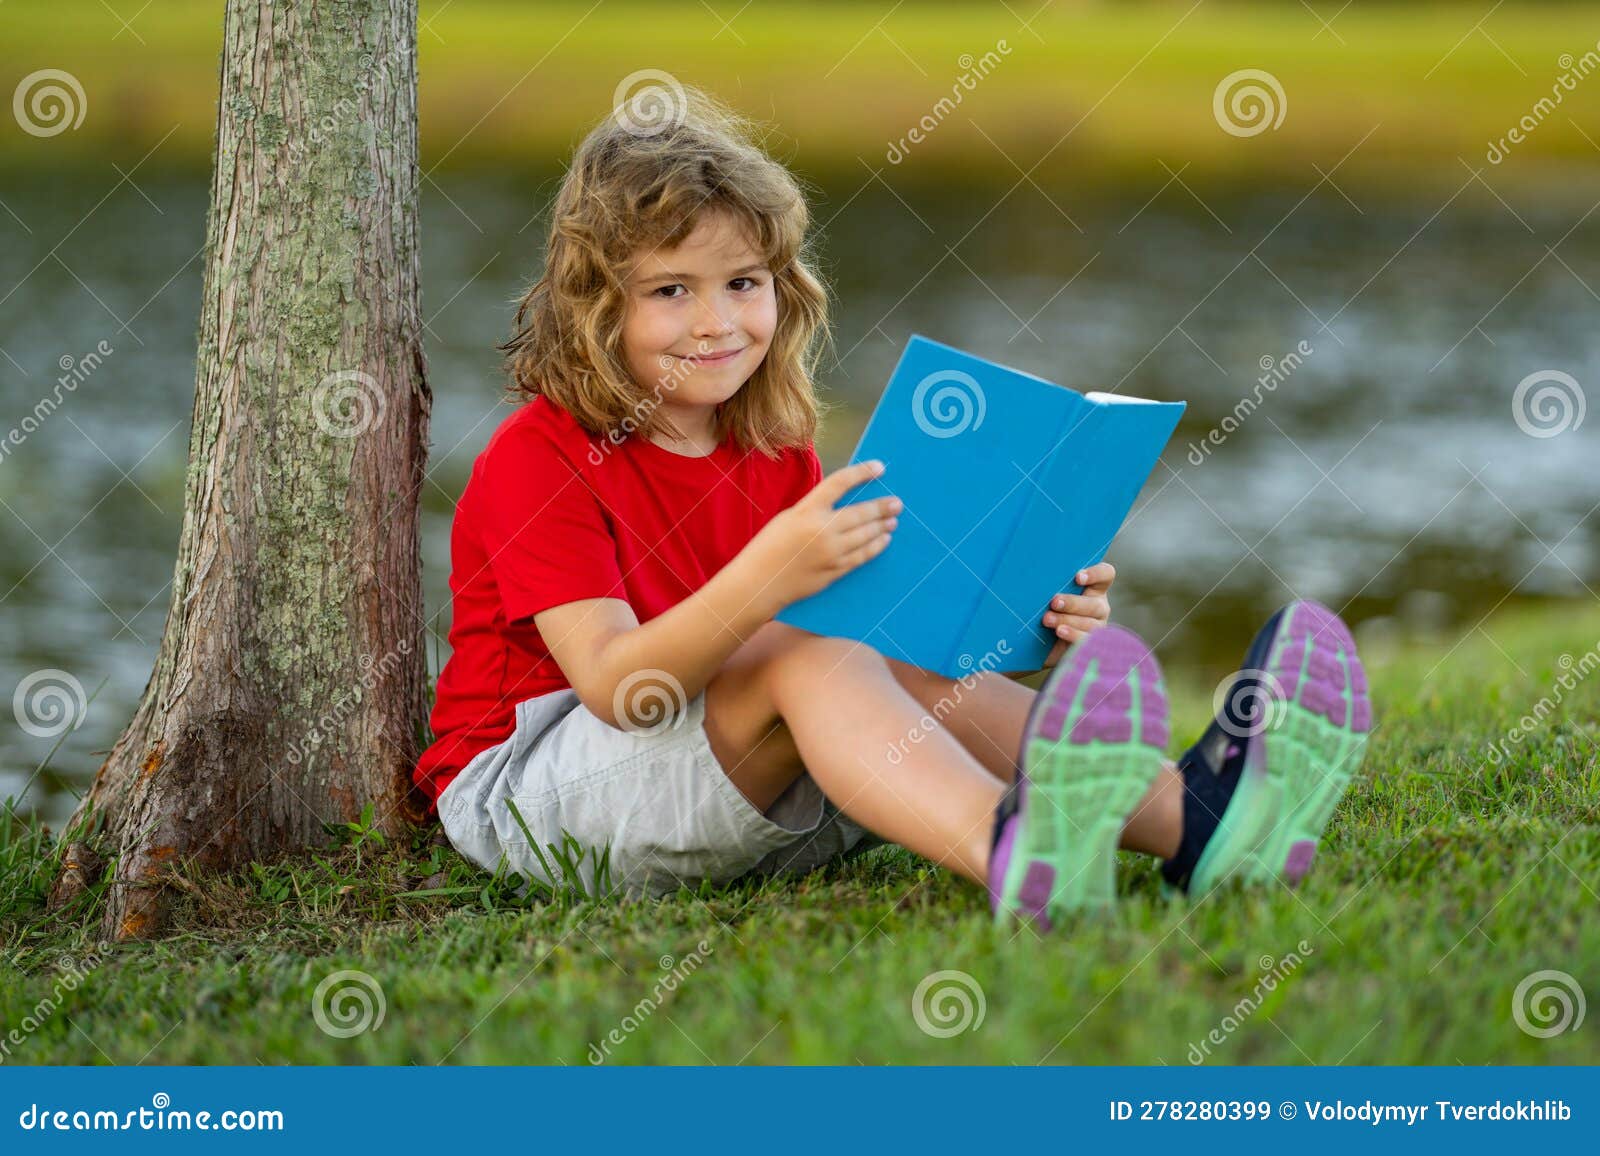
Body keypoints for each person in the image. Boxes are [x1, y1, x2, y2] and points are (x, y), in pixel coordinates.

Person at [415, 86, 1372, 929]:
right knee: (807, 642)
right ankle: (1012, 851)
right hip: (535, 797)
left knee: (871, 642)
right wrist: (768, 581)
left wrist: (1031, 608)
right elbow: (622, 690)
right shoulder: (538, 457)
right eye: (672, 291)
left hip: (744, 784)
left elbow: (855, 649)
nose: (717, 322)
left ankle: (1198, 823)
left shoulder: (773, 450)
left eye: (744, 284)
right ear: (596, 307)